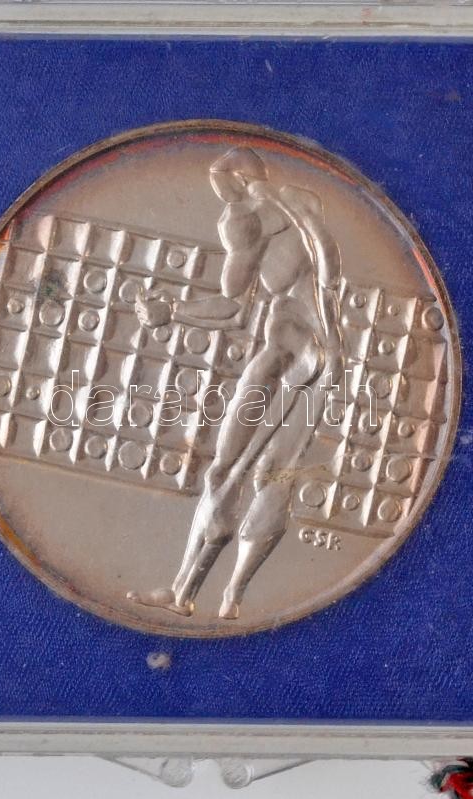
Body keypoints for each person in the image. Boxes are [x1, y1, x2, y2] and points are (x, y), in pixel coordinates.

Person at [128, 146, 343, 620]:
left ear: (236, 180)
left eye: (218, 180)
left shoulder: (244, 219)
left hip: (286, 353)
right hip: (325, 357)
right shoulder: (304, 200)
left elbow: (232, 309)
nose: (217, 191)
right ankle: (230, 598)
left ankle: (184, 592)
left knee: (226, 472)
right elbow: (323, 276)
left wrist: (171, 310)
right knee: (274, 476)